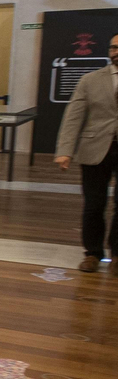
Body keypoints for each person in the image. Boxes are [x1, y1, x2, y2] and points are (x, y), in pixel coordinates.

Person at [53, 33, 118, 273]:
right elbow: (73, 116)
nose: (116, 52)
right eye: (113, 47)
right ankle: (92, 253)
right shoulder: (90, 80)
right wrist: (65, 150)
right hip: (94, 149)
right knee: (93, 204)